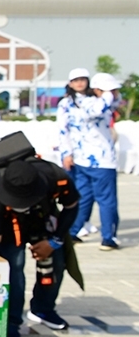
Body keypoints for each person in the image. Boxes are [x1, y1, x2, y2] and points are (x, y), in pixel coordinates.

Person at [0, 159, 79, 337]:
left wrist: (54, 242)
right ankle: (11, 323)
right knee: (14, 267)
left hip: (43, 219)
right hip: (10, 227)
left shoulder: (57, 178)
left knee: (56, 263)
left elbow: (71, 206)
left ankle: (43, 309)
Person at [58, 69, 121, 250]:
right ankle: (97, 235)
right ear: (70, 83)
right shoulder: (71, 103)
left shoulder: (96, 99)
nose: (79, 83)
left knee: (96, 199)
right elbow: (63, 130)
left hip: (101, 158)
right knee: (91, 198)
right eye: (75, 80)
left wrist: (108, 91)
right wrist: (66, 154)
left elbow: (117, 102)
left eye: (83, 79)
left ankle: (103, 236)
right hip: (85, 159)